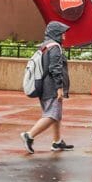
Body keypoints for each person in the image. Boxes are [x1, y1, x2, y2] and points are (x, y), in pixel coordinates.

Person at [20, 21, 74, 153]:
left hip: (44, 85)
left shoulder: (45, 46)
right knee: (52, 114)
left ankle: (57, 142)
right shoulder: (55, 47)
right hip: (51, 87)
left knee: (56, 114)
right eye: (62, 33)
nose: (64, 36)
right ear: (56, 34)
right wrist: (59, 88)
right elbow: (55, 68)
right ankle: (29, 135)